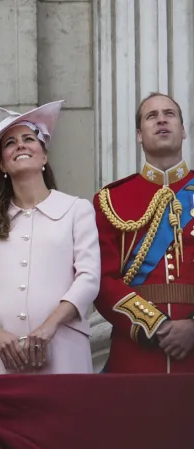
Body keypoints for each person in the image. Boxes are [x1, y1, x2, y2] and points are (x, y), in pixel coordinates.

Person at [0, 101, 101, 374]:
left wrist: (49, 326)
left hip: (64, 349)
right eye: (10, 143)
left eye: (29, 139)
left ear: (44, 156)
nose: (21, 146)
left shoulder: (76, 210)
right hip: (5, 356)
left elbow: (88, 278)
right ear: (2, 163)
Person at [94, 92, 194, 373]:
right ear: (139, 135)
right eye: (152, 116)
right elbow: (102, 279)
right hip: (136, 349)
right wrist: (155, 325)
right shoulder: (111, 200)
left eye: (169, 114)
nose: (161, 119)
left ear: (183, 130)